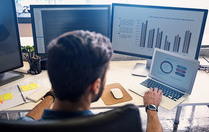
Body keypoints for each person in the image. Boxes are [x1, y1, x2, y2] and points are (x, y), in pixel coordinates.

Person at [18, 30, 163, 131]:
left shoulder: (18, 127)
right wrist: (151, 108)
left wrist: (50, 96)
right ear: (96, 85)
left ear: (52, 79)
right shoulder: (117, 127)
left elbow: (28, 122)